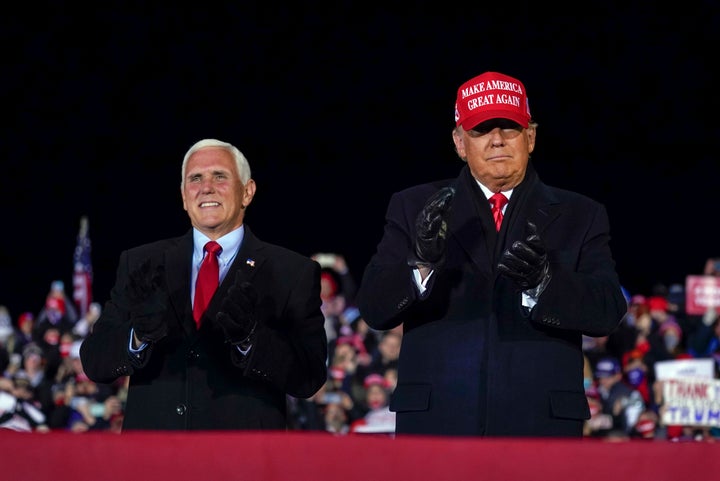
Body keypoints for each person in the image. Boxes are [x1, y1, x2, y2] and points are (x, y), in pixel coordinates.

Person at [355, 71, 626, 437]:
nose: (497, 140)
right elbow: (375, 307)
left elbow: (608, 311)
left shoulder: (582, 214)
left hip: (541, 427)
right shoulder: (414, 206)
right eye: (481, 130)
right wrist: (420, 263)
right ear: (459, 142)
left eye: (509, 128)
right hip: (438, 424)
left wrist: (546, 284)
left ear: (530, 137)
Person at [80, 138, 328, 431]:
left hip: (242, 461)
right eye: (195, 178)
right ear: (184, 197)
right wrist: (138, 335)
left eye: (220, 176)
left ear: (247, 192)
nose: (206, 187)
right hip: (154, 459)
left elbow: (308, 376)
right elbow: (95, 362)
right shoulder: (141, 263)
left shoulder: (292, 271)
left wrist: (251, 340)